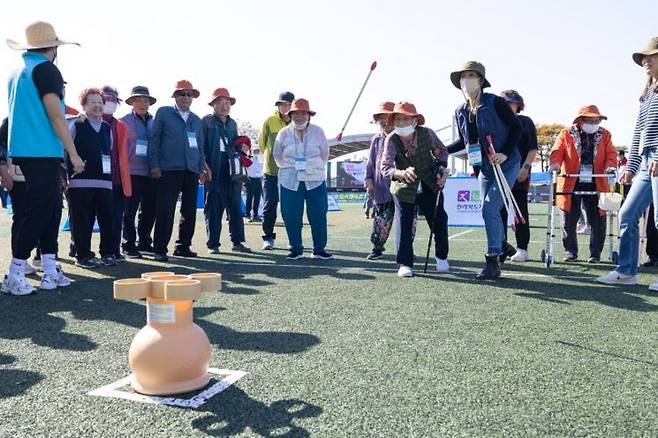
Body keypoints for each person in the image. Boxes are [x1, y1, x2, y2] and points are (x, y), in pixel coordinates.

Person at [3, 21, 83, 295]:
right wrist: (72, 152)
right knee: (40, 211)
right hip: (42, 151)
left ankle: (49, 268)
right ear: (53, 48)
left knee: (48, 209)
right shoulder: (46, 69)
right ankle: (14, 272)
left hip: (27, 151)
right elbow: (55, 113)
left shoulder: (17, 72)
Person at [447, 61, 522, 280]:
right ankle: (502, 245)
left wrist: (505, 153)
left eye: (472, 75)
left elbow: (516, 128)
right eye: (463, 76)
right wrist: (439, 149)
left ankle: (493, 261)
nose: (467, 80)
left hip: (506, 164)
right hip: (484, 168)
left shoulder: (496, 102)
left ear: (481, 81)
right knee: (486, 210)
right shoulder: (460, 111)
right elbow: (464, 141)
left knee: (490, 209)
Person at [598, 37, 658, 287]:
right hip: (646, 162)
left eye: (651, 56)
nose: (645, 61)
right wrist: (631, 167)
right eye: (643, 57)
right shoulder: (647, 94)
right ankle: (626, 271)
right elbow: (638, 132)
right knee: (627, 213)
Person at [381, 102, 449, 277]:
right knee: (404, 225)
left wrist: (441, 169)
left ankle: (441, 257)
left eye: (406, 118)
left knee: (439, 220)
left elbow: (442, 151)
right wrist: (401, 173)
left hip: (429, 183)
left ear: (415, 120)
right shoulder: (392, 139)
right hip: (403, 187)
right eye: (398, 118)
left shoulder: (427, 133)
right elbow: (385, 167)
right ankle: (405, 263)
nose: (401, 122)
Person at [148, 80, 210, 262]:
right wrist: (155, 164)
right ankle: (159, 248)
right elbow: (155, 139)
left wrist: (200, 169)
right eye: (182, 94)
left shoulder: (196, 120)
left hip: (191, 170)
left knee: (189, 210)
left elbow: (200, 146)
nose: (186, 97)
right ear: (175, 96)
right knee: (165, 210)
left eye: (189, 94)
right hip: (168, 169)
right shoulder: (164, 113)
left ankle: (183, 246)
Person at [550, 105, 617, 263]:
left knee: (598, 220)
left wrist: (610, 166)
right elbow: (557, 151)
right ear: (580, 120)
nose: (593, 123)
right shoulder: (566, 133)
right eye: (589, 120)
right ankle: (570, 252)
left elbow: (611, 153)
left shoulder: (605, 134)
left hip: (597, 181)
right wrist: (555, 165)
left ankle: (595, 254)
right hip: (571, 181)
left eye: (596, 120)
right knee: (568, 219)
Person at [273, 98, 332, 260]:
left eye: (303, 113)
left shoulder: (318, 131)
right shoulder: (283, 133)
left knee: (319, 214)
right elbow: (277, 156)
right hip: (290, 179)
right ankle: (295, 248)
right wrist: (290, 166)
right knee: (291, 215)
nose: (299, 117)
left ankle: (319, 249)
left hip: (315, 179)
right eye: (296, 113)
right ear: (290, 115)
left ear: (309, 115)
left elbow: (324, 154)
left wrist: (313, 166)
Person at [67, 88, 119, 268]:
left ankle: (108, 253)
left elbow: (109, 150)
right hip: (80, 182)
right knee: (83, 221)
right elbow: (66, 147)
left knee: (107, 219)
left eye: (100, 102)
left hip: (104, 183)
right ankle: (83, 255)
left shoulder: (107, 128)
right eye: (92, 102)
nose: (97, 105)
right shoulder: (76, 123)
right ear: (84, 105)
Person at [202, 87, 251, 254]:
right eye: (220, 102)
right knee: (214, 209)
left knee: (236, 208)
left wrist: (242, 148)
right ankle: (213, 244)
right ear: (213, 105)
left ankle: (237, 241)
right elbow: (201, 147)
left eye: (227, 102)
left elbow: (235, 146)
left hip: (232, 171)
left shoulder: (233, 124)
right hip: (214, 170)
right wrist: (203, 166)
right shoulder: (207, 122)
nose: (224, 106)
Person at [498, 90, 538, 262]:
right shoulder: (495, 123)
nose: (507, 106)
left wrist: (525, 168)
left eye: (510, 103)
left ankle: (522, 247)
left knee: (521, 210)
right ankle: (500, 247)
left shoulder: (525, 122)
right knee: (498, 212)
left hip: (519, 174)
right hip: (498, 174)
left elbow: (532, 148)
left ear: (518, 105)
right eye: (503, 103)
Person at [121, 86, 157, 258]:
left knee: (150, 210)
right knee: (129, 210)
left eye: (146, 100)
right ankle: (128, 244)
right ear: (132, 102)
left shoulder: (154, 121)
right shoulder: (124, 121)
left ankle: (144, 242)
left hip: (151, 172)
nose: (142, 103)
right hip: (131, 172)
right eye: (138, 99)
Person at [259, 91, 294, 250]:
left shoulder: (298, 121)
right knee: (269, 206)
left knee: (291, 207)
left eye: (288, 104)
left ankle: (293, 239)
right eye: (282, 104)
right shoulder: (269, 121)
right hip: (271, 172)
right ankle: (268, 238)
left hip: (291, 173)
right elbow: (262, 144)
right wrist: (271, 160)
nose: (285, 107)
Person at [101, 86, 132, 262]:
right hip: (97, 179)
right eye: (107, 99)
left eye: (114, 101)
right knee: (95, 216)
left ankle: (113, 250)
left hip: (118, 178)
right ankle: (80, 251)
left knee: (116, 216)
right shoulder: (89, 121)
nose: (110, 104)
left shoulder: (120, 125)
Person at [364, 101, 397, 260]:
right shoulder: (376, 139)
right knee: (381, 221)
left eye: (387, 116)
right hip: (381, 190)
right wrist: (368, 181)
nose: (383, 121)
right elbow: (371, 163)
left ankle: (405, 250)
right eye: (381, 117)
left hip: (402, 188)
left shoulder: (402, 137)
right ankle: (377, 248)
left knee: (408, 222)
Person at [246, 143, 264, 222]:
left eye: (257, 150)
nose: (256, 152)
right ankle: (247, 214)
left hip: (258, 179)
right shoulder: (249, 158)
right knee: (249, 197)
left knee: (257, 197)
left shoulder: (261, 159)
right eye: (255, 150)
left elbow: (262, 169)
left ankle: (255, 215)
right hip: (250, 179)